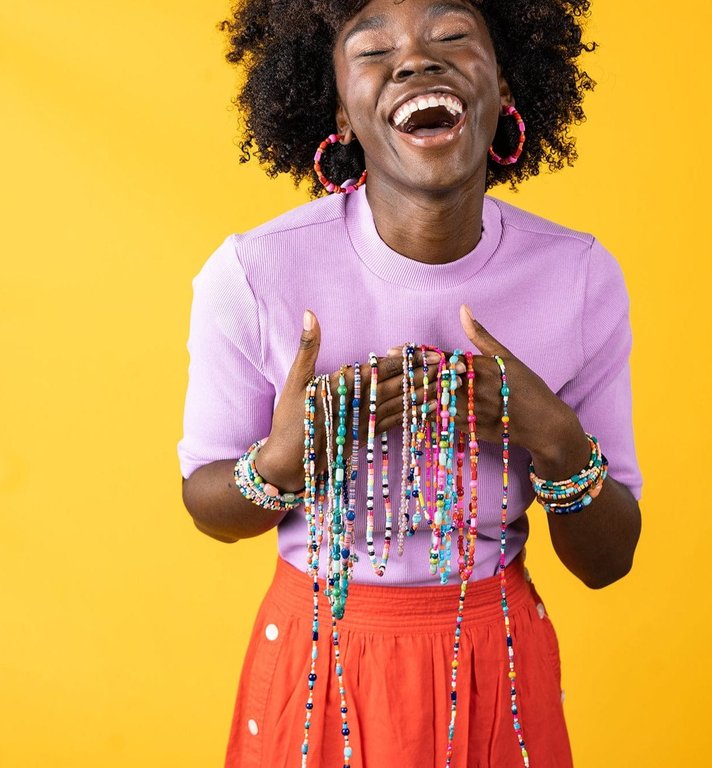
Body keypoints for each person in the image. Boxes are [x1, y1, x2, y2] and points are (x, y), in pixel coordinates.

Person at [178, 1, 642, 766]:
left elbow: (609, 560)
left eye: (453, 36)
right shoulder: (253, 275)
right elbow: (209, 510)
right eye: (372, 49)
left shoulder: (579, 277)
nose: (416, 60)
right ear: (340, 112)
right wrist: (284, 461)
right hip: (316, 668)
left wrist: (555, 437)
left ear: (504, 87)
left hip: (498, 671)